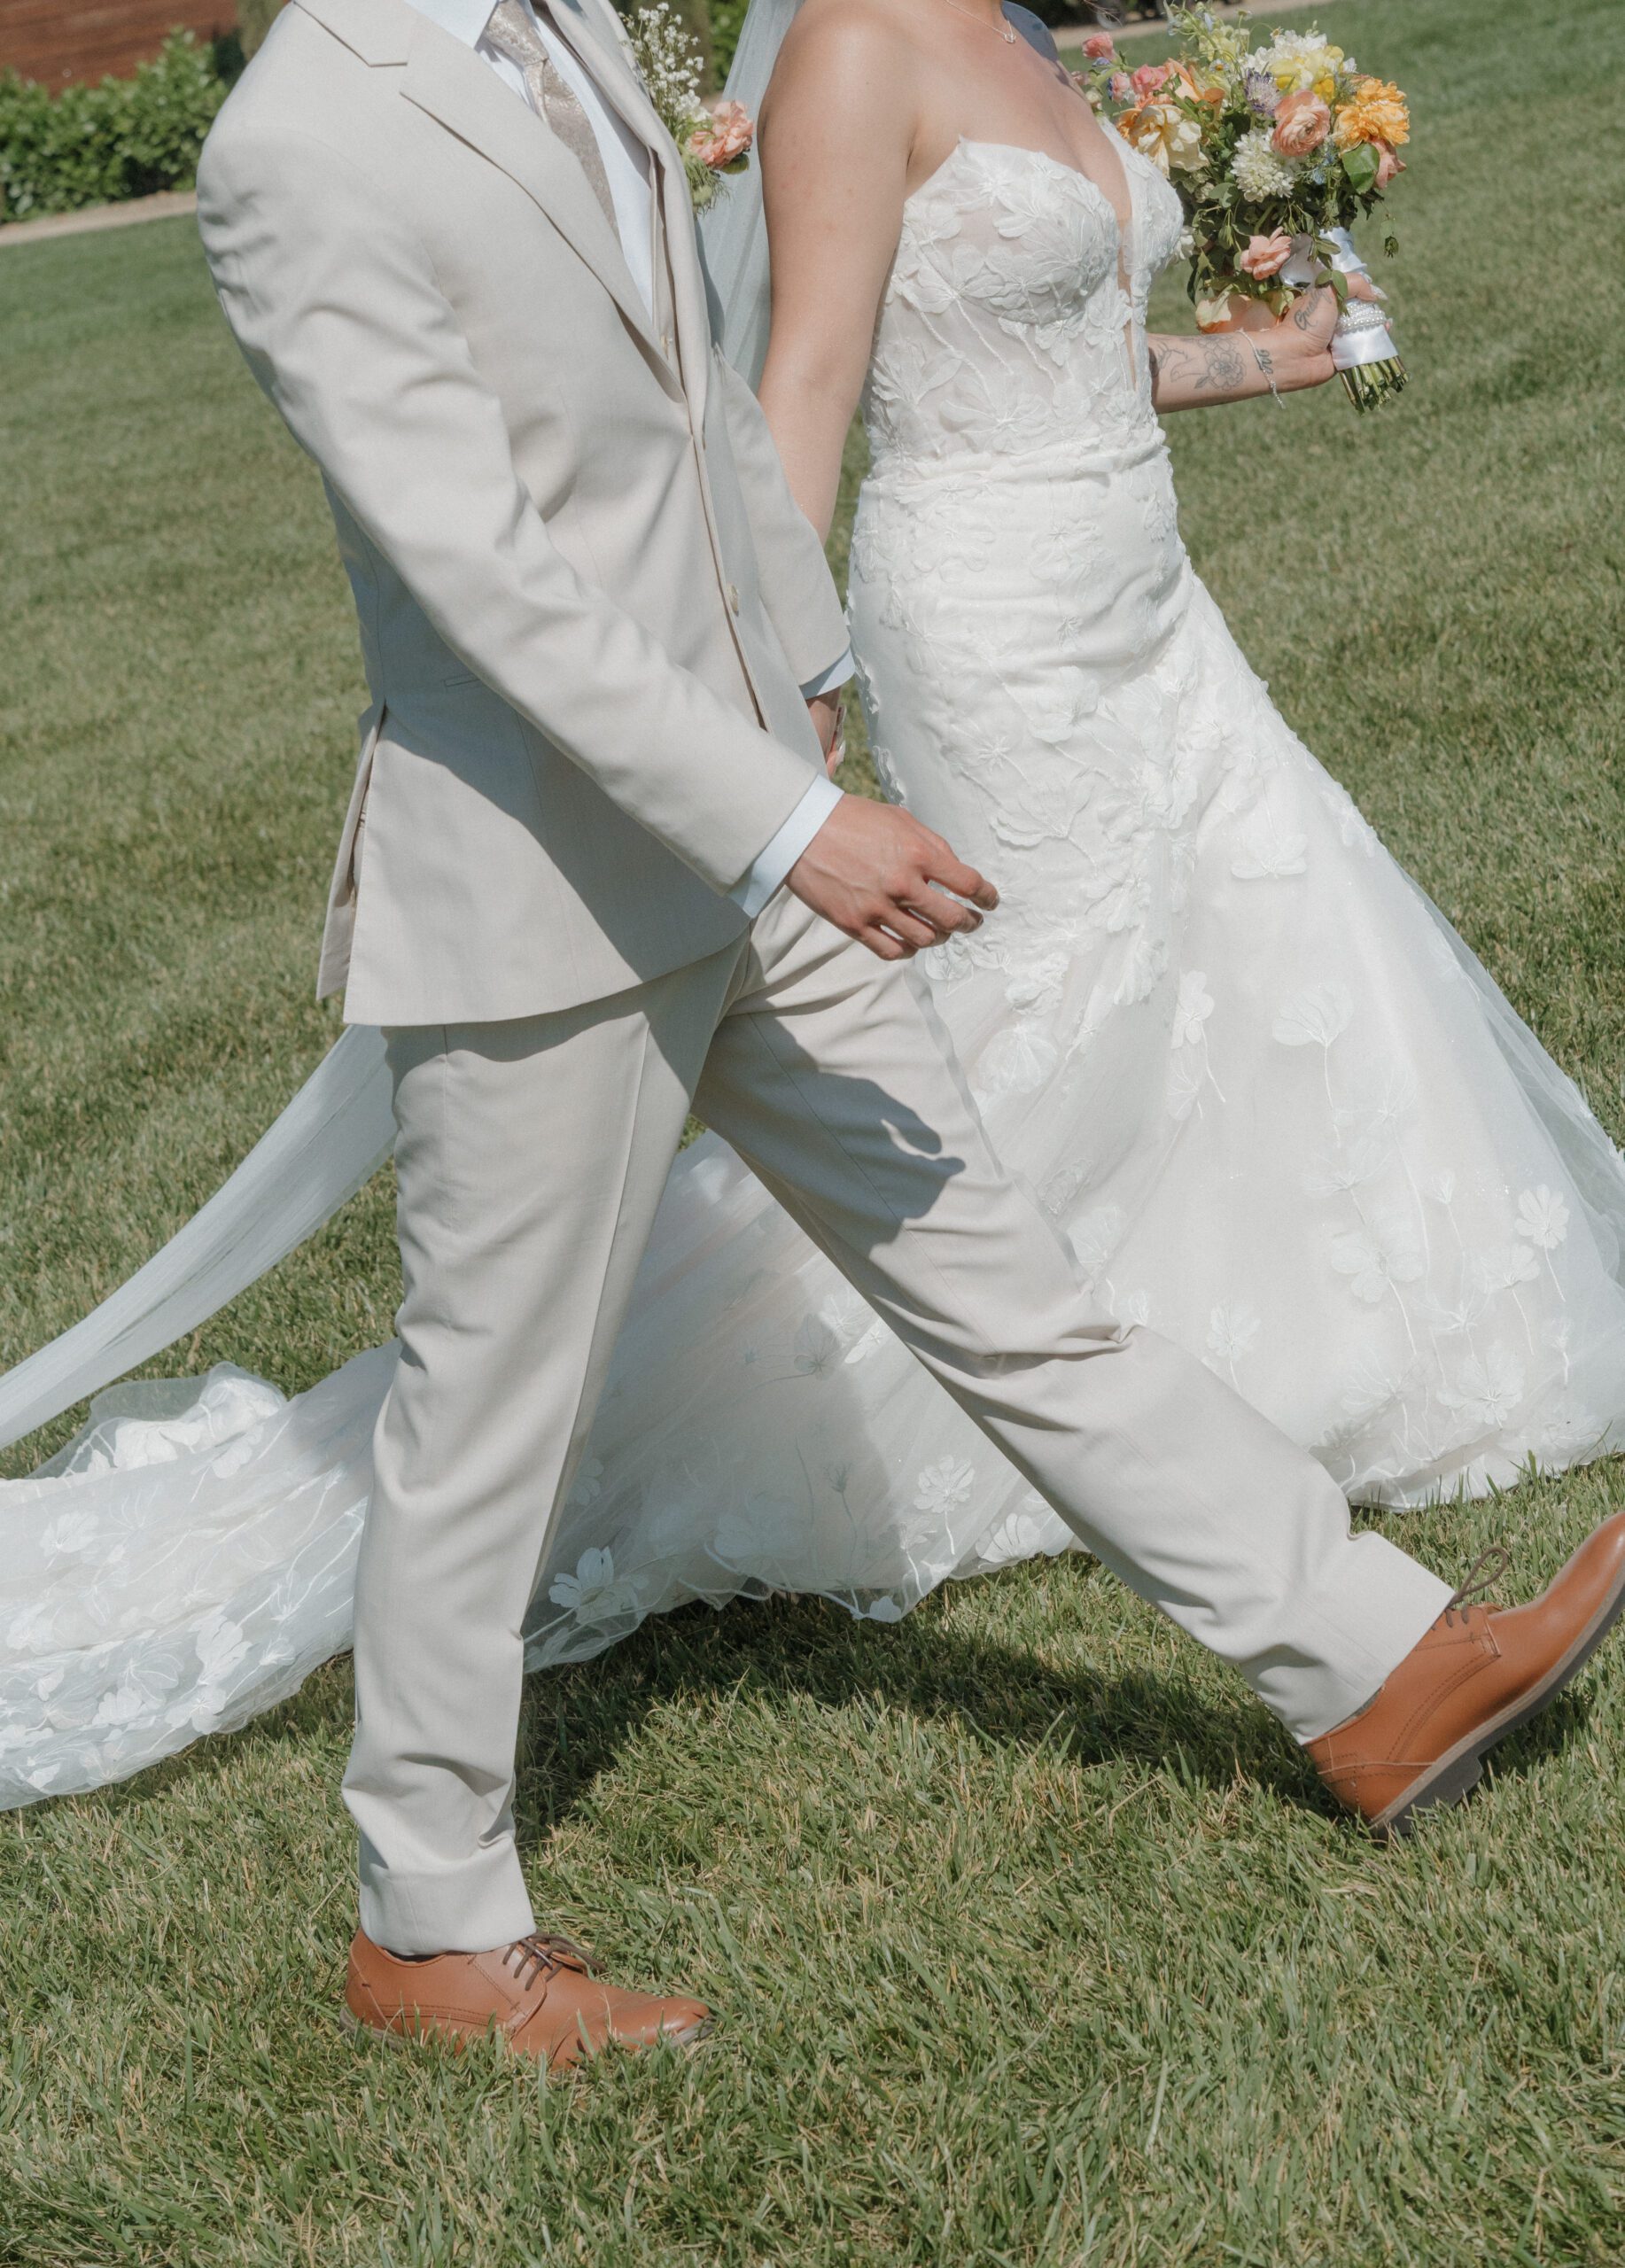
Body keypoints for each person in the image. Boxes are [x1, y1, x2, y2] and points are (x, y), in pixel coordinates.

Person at [3, 0, 1621, 2066]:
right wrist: (788, 822)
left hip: (754, 814)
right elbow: (486, 582)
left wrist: (805, 667)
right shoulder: (300, 147)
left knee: (1002, 1276)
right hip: (545, 900)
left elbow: (698, 409)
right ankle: (428, 1923)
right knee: (487, 1416)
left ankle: (1374, 1665)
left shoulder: (570, 32)